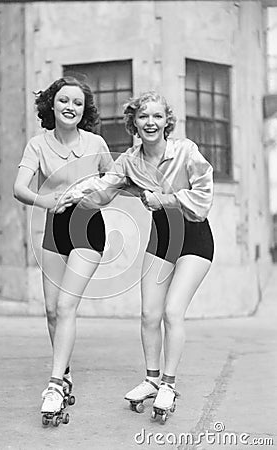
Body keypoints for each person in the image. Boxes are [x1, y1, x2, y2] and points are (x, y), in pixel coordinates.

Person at [66, 91, 214, 419]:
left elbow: (204, 198)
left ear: (167, 122)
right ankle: (151, 379)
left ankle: (169, 384)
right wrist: (77, 195)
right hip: (161, 238)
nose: (150, 122)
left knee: (173, 312)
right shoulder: (130, 161)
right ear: (134, 122)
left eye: (157, 116)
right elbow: (105, 189)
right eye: (143, 116)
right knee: (149, 314)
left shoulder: (186, 151)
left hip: (194, 237)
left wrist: (167, 200)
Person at [13, 76, 114, 418]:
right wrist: (46, 200)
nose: (70, 107)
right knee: (52, 310)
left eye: (78, 103)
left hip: (88, 228)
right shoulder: (37, 145)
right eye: (64, 101)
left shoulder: (96, 143)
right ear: (51, 105)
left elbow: (114, 181)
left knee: (68, 305)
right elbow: (19, 187)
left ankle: (54, 383)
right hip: (54, 228)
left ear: (84, 111)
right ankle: (66, 371)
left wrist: (100, 193)